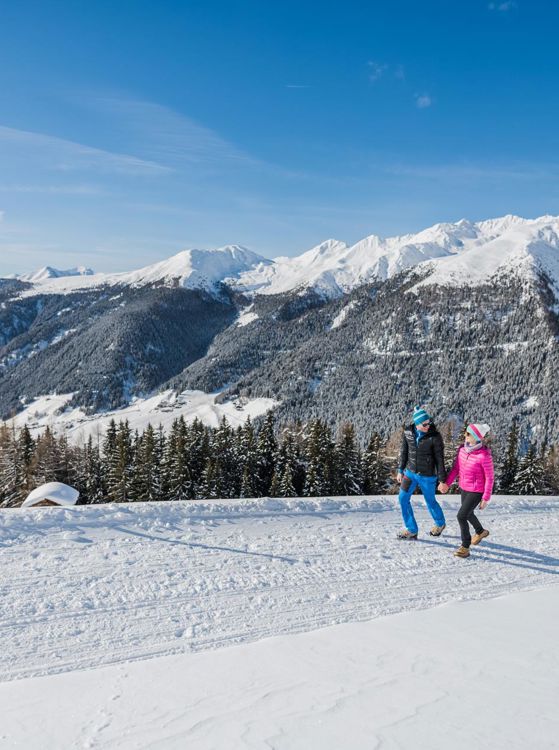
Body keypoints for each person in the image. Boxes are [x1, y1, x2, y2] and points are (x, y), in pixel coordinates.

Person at [440, 423, 494, 558]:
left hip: (477, 491)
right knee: (468, 514)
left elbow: (490, 478)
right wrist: (447, 483)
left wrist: (485, 498)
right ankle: (480, 531)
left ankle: (465, 546)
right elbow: (456, 469)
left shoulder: (484, 456)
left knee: (461, 516)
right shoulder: (462, 450)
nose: (465, 435)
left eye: (468, 434)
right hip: (464, 487)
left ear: (476, 437)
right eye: (466, 432)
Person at [396, 406, 447, 540]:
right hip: (410, 473)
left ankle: (440, 523)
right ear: (417, 424)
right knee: (402, 498)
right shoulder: (408, 432)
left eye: (429, 423)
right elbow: (404, 452)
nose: (428, 426)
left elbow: (440, 459)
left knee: (430, 501)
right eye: (424, 424)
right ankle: (412, 529)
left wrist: (442, 480)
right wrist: (400, 470)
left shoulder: (434, 436)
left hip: (428, 475)